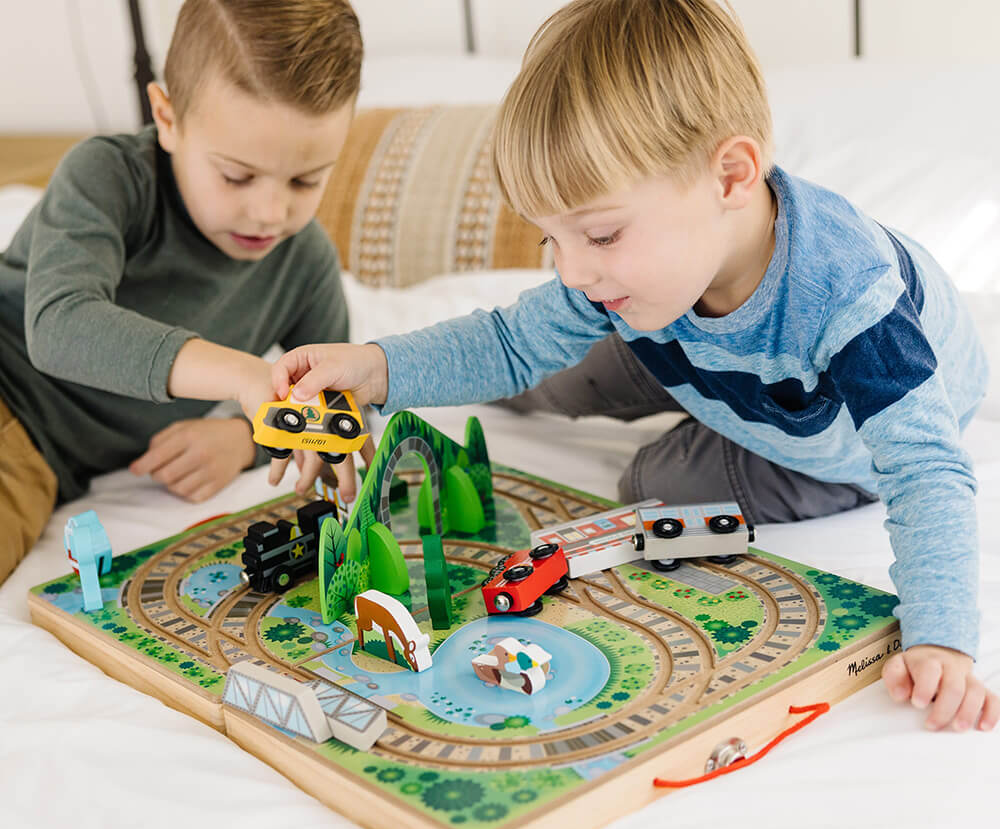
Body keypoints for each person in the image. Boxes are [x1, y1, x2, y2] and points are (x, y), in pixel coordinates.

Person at [258, 0, 997, 733]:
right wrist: (374, 365)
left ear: (732, 177)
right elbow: (512, 342)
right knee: (547, 374)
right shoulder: (636, 272)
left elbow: (927, 469)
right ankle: (624, 379)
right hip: (686, 345)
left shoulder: (849, 297)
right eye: (552, 240)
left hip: (828, 444)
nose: (573, 269)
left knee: (652, 489)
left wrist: (940, 635)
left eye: (602, 234)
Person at [0, 0, 366, 587]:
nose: (271, 213)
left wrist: (242, 438)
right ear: (167, 118)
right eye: (236, 176)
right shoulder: (110, 178)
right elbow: (59, 325)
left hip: (45, 462)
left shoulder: (307, 263)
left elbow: (330, 401)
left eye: (305, 180)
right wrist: (244, 376)